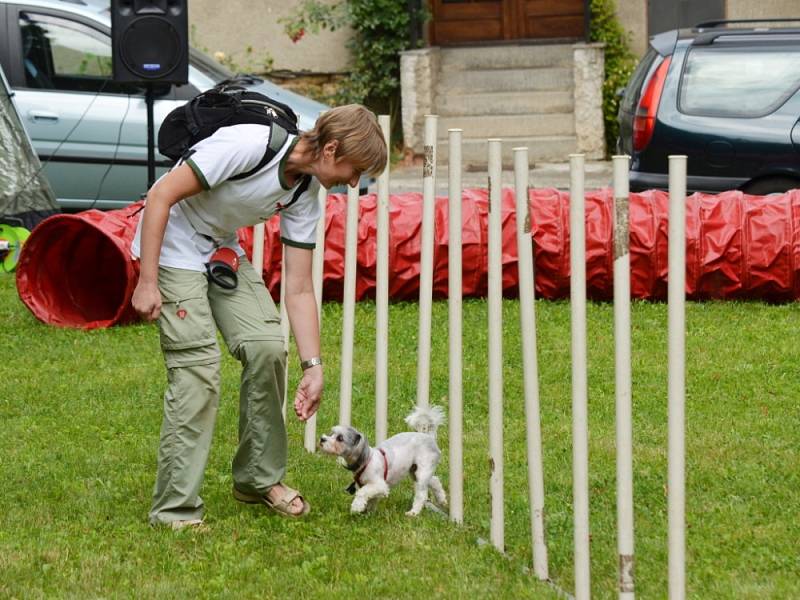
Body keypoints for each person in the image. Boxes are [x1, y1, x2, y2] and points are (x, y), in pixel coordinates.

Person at [131, 104, 387, 529]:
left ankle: (256, 478)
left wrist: (314, 366)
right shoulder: (250, 144)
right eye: (355, 169)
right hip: (171, 239)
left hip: (218, 247)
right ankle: (174, 510)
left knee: (268, 347)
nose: (355, 182)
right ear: (331, 148)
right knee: (198, 369)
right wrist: (148, 280)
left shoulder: (305, 193)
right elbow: (160, 195)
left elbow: (300, 287)